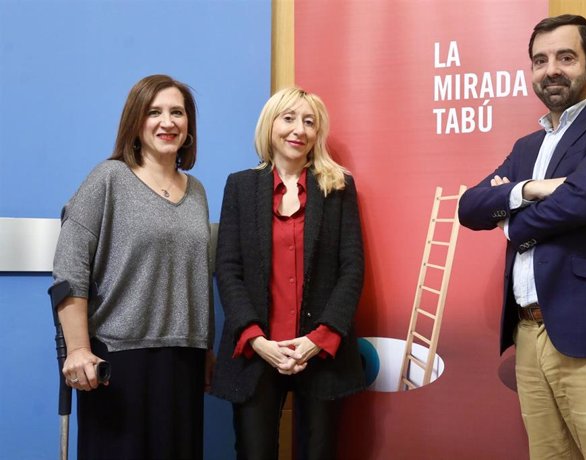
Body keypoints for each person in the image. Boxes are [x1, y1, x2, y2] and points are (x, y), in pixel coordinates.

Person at [458, 15, 586, 459]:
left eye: (566, 57)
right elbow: (469, 208)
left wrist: (508, 218)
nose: (551, 69)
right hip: (529, 336)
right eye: (540, 60)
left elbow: (582, 202)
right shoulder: (526, 148)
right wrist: (529, 189)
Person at [50, 74, 215, 460]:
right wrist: (77, 349)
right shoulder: (108, 179)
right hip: (120, 360)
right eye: (154, 112)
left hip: (184, 360)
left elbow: (198, 275)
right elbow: (69, 269)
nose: (167, 121)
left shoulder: (198, 192)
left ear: (189, 126)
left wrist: (205, 349)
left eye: (177, 112)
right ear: (135, 123)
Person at [211, 87, 365, 459]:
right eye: (289, 118)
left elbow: (352, 269)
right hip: (257, 350)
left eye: (309, 122)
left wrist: (319, 338)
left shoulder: (339, 187)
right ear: (271, 125)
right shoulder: (241, 187)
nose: (299, 129)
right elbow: (228, 269)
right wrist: (255, 339)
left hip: (321, 350)